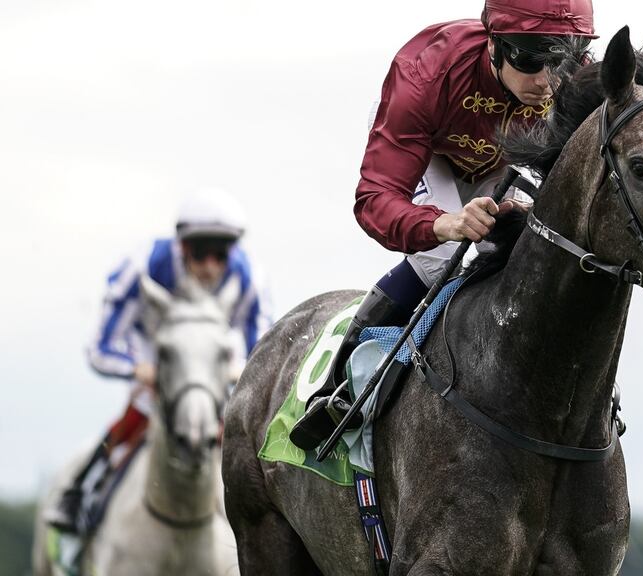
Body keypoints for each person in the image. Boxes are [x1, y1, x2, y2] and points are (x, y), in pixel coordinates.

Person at [292, 0, 598, 446]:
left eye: (562, 60)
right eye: (531, 60)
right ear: (493, 42)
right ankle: (339, 389)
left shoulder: (573, 81)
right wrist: (443, 224)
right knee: (437, 261)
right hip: (434, 159)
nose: (547, 81)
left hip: (509, 163)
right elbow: (375, 200)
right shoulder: (426, 73)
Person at [45, 188, 272, 532]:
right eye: (201, 252)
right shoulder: (141, 268)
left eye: (220, 253)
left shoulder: (249, 277)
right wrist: (140, 369)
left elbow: (261, 350)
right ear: (181, 245)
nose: (211, 265)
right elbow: (99, 348)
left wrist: (233, 368)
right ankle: (79, 490)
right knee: (143, 408)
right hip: (152, 349)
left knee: (234, 422)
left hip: (211, 358)